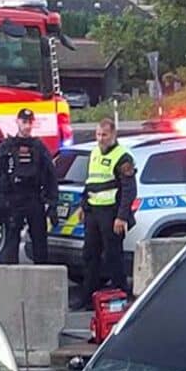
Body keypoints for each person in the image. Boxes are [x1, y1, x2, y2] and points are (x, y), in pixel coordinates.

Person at [75, 117, 137, 309]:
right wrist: (83, 205)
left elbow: (129, 190)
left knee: (113, 256)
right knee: (90, 255)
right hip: (93, 212)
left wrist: (121, 217)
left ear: (113, 135)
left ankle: (120, 296)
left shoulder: (123, 157)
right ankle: (88, 299)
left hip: (111, 213)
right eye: (98, 134)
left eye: (104, 135)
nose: (100, 138)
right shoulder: (94, 153)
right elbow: (90, 182)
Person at [0, 107, 59, 264]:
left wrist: (53, 203)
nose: (27, 126)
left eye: (30, 122)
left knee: (40, 243)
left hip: (34, 198)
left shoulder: (39, 147)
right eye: (24, 122)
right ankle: (11, 281)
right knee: (11, 244)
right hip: (13, 199)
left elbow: (51, 176)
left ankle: (41, 279)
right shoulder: (7, 147)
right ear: (17, 122)